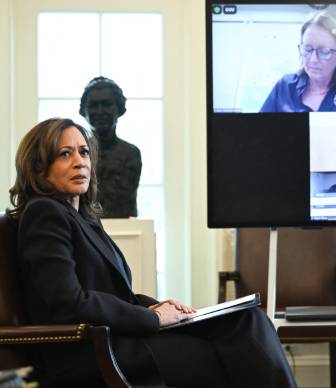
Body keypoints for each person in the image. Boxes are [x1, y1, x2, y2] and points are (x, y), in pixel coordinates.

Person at [7, 118, 297, 387]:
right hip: (89, 352)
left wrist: (160, 308)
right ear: (38, 167)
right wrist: (153, 319)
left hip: (119, 338)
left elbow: (117, 294)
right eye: (65, 154)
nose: (79, 162)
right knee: (237, 355)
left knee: (248, 320)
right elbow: (68, 302)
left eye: (84, 152)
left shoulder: (83, 218)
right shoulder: (44, 214)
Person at [79, 76, 141, 218]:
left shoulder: (131, 154)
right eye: (94, 105)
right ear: (84, 110)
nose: (100, 111)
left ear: (119, 108)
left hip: (125, 230)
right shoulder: (78, 154)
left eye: (107, 104)